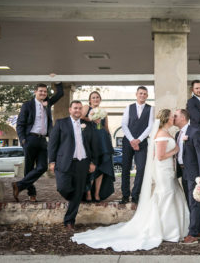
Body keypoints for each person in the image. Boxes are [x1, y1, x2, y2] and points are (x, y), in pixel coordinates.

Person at [71, 109, 189, 250]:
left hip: (168, 171)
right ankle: (166, 230)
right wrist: (175, 150)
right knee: (166, 196)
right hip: (164, 171)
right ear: (167, 119)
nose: (174, 118)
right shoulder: (162, 134)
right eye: (172, 116)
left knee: (169, 196)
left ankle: (172, 228)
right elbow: (160, 156)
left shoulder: (166, 133)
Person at [48, 101, 98, 230]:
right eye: (75, 108)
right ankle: (75, 198)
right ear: (70, 109)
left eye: (80, 108)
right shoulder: (61, 123)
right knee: (63, 187)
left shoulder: (87, 125)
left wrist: (92, 162)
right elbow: (53, 144)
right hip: (64, 162)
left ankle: (69, 221)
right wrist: (52, 161)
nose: (78, 110)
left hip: (83, 163)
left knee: (77, 191)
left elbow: (93, 145)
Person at [13, 82, 64, 202]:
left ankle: (19, 185)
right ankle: (32, 194)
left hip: (42, 140)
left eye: (45, 91)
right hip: (30, 139)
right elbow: (20, 124)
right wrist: (23, 140)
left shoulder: (48, 103)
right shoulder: (27, 105)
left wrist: (58, 82)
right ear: (35, 92)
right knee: (29, 169)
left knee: (42, 167)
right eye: (40, 91)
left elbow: (60, 93)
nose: (43, 93)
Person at [174, 109, 200, 245]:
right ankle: (199, 230)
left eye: (175, 116)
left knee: (193, 202)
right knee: (190, 202)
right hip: (183, 172)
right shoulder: (178, 133)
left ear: (183, 117)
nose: (174, 118)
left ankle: (192, 233)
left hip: (194, 172)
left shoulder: (194, 131)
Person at [120, 86, 154, 204]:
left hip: (142, 143)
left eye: (145, 94)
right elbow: (124, 124)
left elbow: (150, 126)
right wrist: (131, 140)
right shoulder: (129, 107)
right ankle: (125, 195)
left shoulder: (151, 109)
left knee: (141, 168)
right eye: (140, 93)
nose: (142, 95)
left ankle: (135, 195)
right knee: (125, 169)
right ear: (136, 94)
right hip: (128, 142)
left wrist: (138, 140)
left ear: (147, 96)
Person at [81, 91, 115, 203]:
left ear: (100, 99)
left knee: (102, 167)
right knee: (92, 166)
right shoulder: (87, 107)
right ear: (90, 100)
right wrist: (91, 118)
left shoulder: (104, 112)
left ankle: (97, 193)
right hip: (90, 140)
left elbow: (106, 127)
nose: (95, 99)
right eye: (93, 97)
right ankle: (88, 192)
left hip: (103, 141)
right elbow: (80, 116)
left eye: (97, 97)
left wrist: (109, 142)